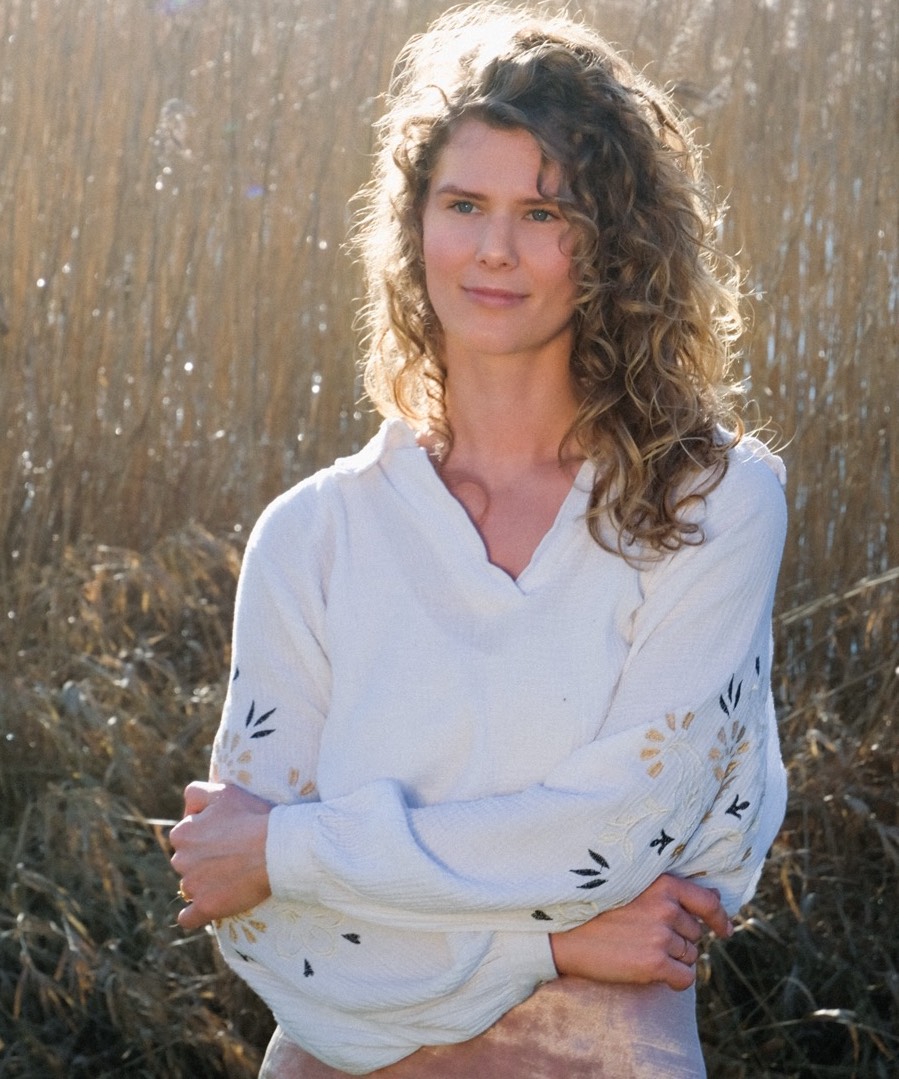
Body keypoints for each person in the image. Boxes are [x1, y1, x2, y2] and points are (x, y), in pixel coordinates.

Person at [169, 5, 788, 1076]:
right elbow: (264, 925)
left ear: (614, 242)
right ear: (414, 225)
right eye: (463, 204)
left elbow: (615, 832)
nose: (494, 249)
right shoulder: (313, 535)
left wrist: (291, 850)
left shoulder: (711, 504)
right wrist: (548, 942)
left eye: (543, 212)